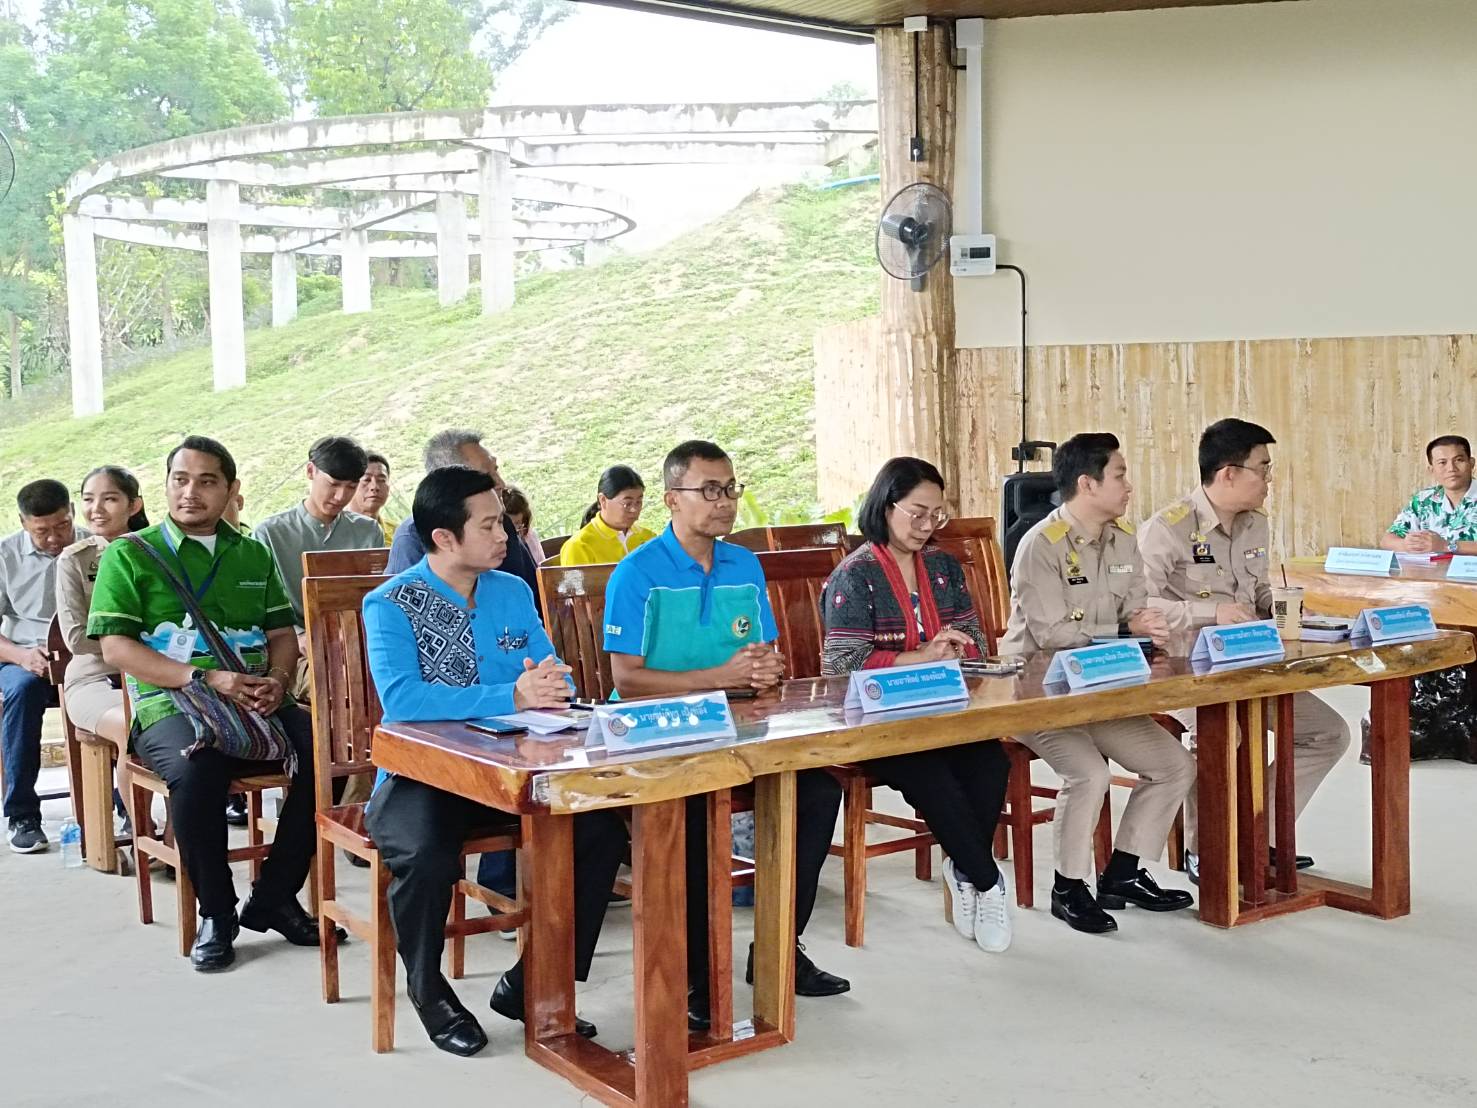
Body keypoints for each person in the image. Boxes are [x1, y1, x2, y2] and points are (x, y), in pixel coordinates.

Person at [363, 465, 624, 1057]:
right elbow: (403, 702)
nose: (505, 534)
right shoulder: (391, 604)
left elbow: (546, 669)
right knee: (426, 854)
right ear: (444, 539)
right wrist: (510, 694)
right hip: (425, 772)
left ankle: (535, 981)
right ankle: (428, 989)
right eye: (488, 524)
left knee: (601, 832)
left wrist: (548, 684)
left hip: (513, 765)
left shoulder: (509, 587)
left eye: (502, 520)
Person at [604, 439, 848, 1029]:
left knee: (816, 791)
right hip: (655, 732)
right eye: (709, 490)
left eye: (731, 488)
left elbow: (760, 653)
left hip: (737, 724)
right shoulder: (637, 573)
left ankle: (777, 946)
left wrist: (769, 668)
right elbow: (627, 680)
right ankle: (694, 979)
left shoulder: (744, 564)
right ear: (671, 500)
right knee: (691, 815)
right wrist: (720, 678)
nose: (724, 502)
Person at [90, 436, 331, 971]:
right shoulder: (131, 554)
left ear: (231, 490)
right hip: (169, 703)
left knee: (327, 756)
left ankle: (273, 895)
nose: (191, 492)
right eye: (180, 479)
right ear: (166, 485)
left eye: (206, 481)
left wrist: (278, 678)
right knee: (199, 769)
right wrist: (205, 678)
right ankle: (217, 913)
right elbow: (116, 648)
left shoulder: (252, 552)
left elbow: (280, 632)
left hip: (251, 697)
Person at [1139, 417, 1350, 882]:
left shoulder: (1256, 526)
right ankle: (1205, 846)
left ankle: (1262, 836)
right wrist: (1207, 613)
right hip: (1181, 669)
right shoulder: (1168, 528)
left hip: (1251, 663)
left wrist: (1290, 611)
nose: (1269, 482)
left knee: (1328, 733)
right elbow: (1137, 606)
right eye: (1263, 469)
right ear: (1229, 473)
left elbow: (1256, 597)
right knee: (1225, 736)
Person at [1002, 432, 1196, 934]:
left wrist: (1148, 623)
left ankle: (1123, 874)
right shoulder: (1038, 546)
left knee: (1174, 765)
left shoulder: (1124, 538)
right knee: (1090, 774)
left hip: (1105, 686)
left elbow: (1134, 605)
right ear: (1087, 484)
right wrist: (1125, 630)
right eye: (1119, 475)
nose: (1128, 486)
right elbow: (1049, 635)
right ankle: (1067, 887)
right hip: (1038, 693)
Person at [820, 457, 1013, 953]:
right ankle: (988, 881)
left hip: (944, 708)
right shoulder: (855, 575)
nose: (928, 527)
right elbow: (840, 666)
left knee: (990, 760)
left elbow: (973, 637)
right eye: (918, 514)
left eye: (937, 516)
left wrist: (957, 647)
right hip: (879, 721)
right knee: (929, 770)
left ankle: (964, 868)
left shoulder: (943, 566)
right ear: (886, 507)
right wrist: (917, 657)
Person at [0, 478, 87, 853]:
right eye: (42, 531)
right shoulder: (5, 556)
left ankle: (122, 804)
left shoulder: (92, 547)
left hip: (84, 657)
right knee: (21, 691)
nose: (54, 538)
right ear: (23, 523)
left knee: (123, 692)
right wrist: (22, 657)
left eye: (62, 526)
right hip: (25, 656)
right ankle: (22, 814)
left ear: (71, 514)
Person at [54, 467, 148, 795]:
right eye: (89, 500)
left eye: (109, 499)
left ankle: (174, 841)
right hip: (96, 678)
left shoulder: (155, 553)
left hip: (155, 674)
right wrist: (133, 643)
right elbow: (77, 638)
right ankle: (143, 836)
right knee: (134, 725)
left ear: (133, 505)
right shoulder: (75, 561)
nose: (97, 509)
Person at [253, 435, 384, 645]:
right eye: (333, 484)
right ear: (310, 471)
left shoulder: (367, 531)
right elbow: (262, 607)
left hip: (358, 640)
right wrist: (297, 636)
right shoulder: (270, 533)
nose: (341, 496)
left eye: (351, 487)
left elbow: (375, 595)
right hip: (295, 645)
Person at [386, 431, 537, 599]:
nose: (500, 483)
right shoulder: (413, 537)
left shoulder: (503, 524)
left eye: (496, 471)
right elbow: (413, 612)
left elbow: (534, 598)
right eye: (486, 477)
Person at [1380, 435, 1477, 553]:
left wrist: (1447, 546)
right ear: (1432, 470)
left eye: (1458, 460)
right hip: (1430, 570)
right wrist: (1406, 545)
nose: (1451, 468)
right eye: (1442, 462)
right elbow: (1387, 540)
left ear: (1471, 463)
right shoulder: (1424, 500)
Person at [558, 465, 658, 566]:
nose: (634, 509)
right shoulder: (579, 547)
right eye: (627, 503)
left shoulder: (649, 538)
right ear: (603, 500)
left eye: (638, 502)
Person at [348, 451, 398, 545]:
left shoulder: (398, 534)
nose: (374, 487)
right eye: (366, 479)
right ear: (350, 485)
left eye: (381, 480)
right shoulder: (334, 531)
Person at [500, 485, 544, 568]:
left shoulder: (530, 536)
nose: (516, 529)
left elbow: (542, 568)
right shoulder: (499, 545)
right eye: (509, 525)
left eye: (519, 523)